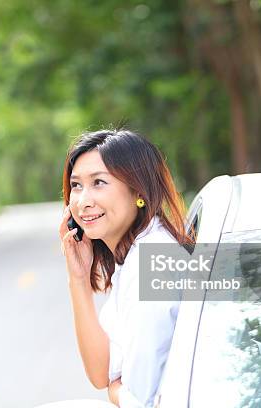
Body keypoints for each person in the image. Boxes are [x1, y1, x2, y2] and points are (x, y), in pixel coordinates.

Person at [58, 128, 194, 407]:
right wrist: (79, 279)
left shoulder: (154, 262)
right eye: (76, 185)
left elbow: (140, 402)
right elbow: (101, 372)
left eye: (99, 182)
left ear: (138, 191)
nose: (83, 201)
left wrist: (116, 393)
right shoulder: (135, 257)